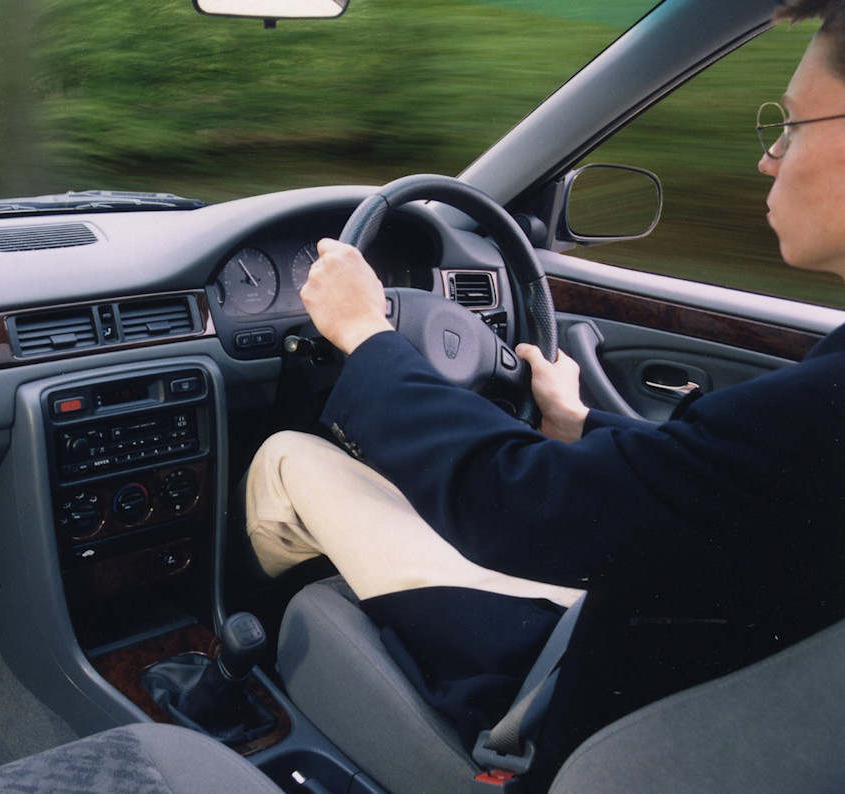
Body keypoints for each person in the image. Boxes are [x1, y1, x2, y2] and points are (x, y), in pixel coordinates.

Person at [242, 0, 845, 788]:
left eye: (792, 124)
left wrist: (366, 334)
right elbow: (715, 489)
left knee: (288, 458)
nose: (769, 157)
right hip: (690, 669)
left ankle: (234, 649)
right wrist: (578, 422)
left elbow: (518, 506)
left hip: (560, 702)